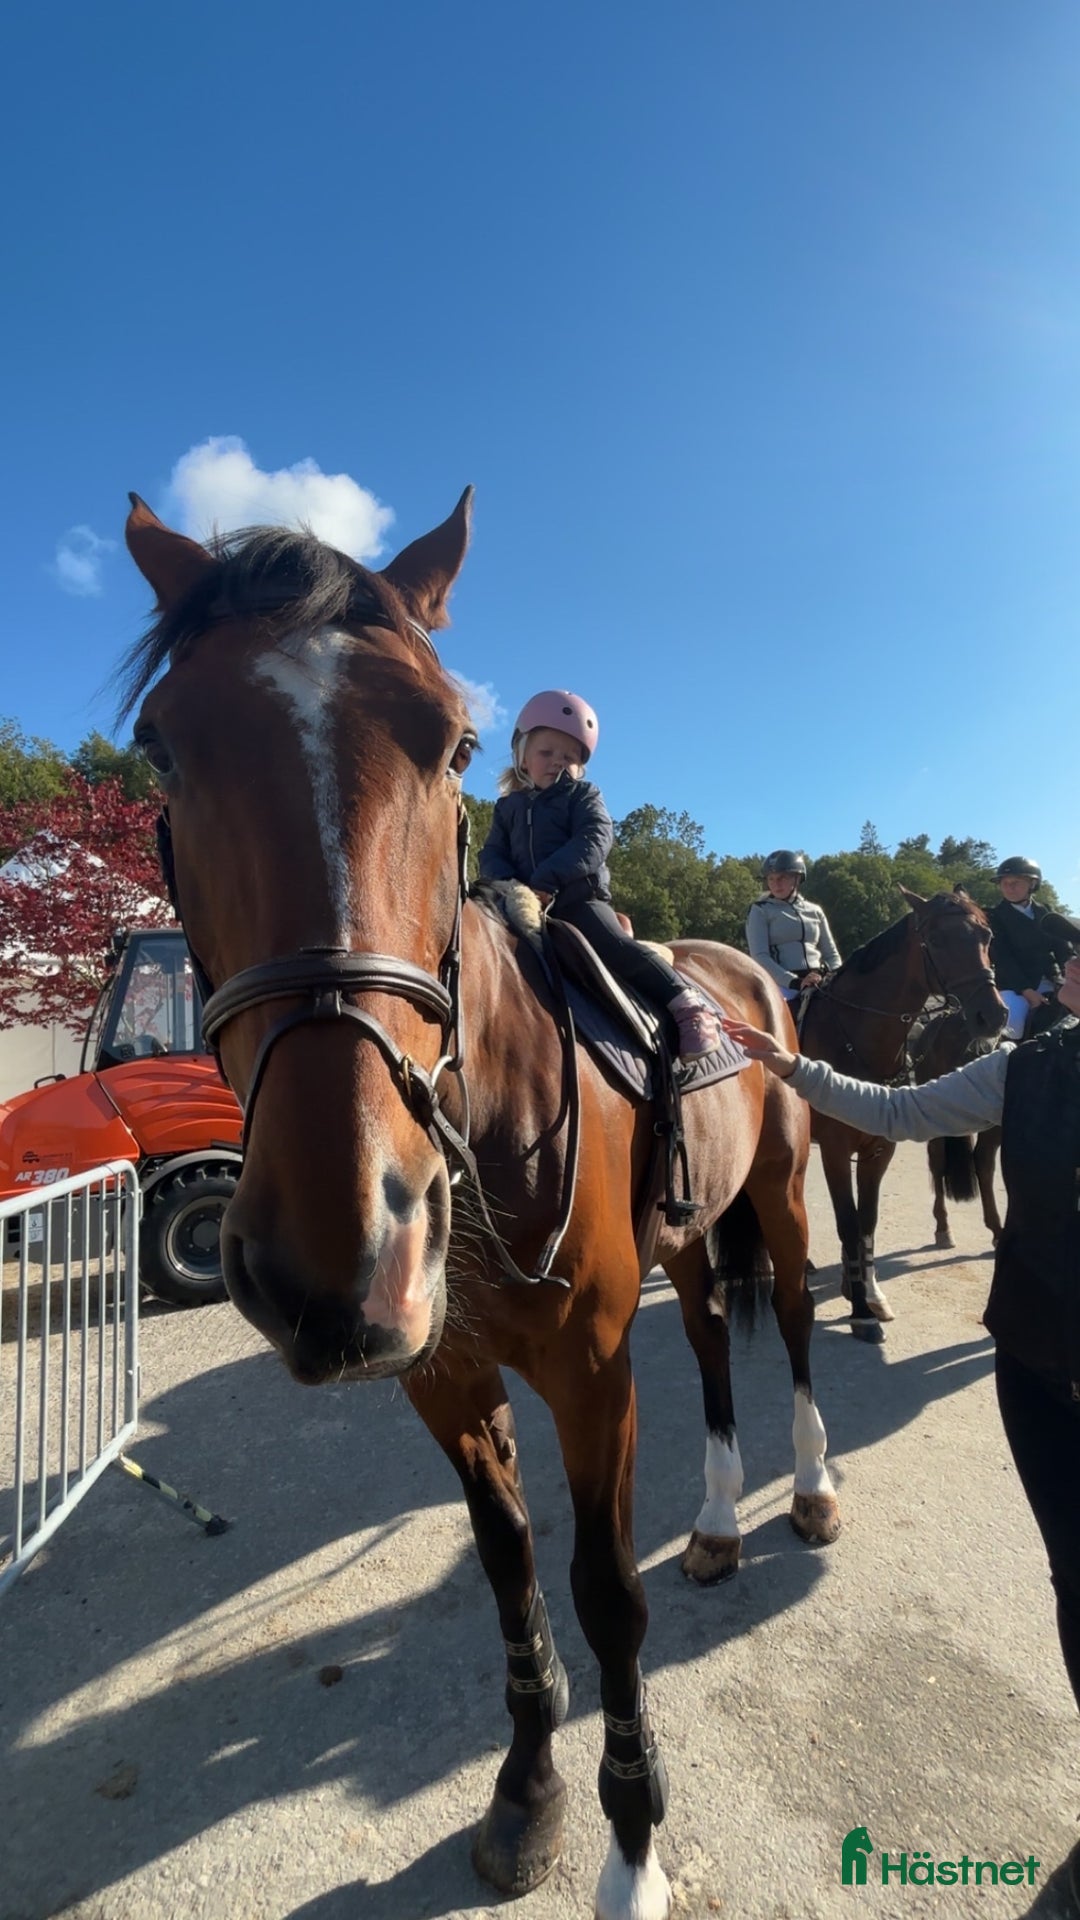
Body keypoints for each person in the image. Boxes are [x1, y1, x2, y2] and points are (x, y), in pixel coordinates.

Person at [722, 957, 1080, 1910]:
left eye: (1077, 957)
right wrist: (785, 1061)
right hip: (1043, 1360)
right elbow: (897, 1109)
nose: (1060, 966)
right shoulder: (1028, 1066)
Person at [478, 690, 724, 1058]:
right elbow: (492, 852)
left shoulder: (583, 796)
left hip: (577, 901)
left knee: (612, 944)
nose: (557, 763)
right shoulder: (506, 808)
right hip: (516, 905)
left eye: (570, 758)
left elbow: (595, 839)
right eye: (547, 753)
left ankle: (687, 1006)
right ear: (522, 757)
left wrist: (545, 881)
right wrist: (508, 886)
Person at [989, 856, 1076, 1041]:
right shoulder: (994, 917)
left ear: (1032, 884)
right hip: (1014, 986)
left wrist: (1070, 976)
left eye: (1015, 883)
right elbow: (1003, 958)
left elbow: (1064, 949)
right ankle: (1005, 1063)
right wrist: (1027, 992)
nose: (1009, 888)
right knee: (1014, 1024)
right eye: (1005, 883)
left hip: (1052, 979)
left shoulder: (1045, 911)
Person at [745, 850, 842, 1002]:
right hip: (783, 985)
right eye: (771, 879)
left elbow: (832, 955)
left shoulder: (815, 911)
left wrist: (827, 974)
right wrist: (795, 982)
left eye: (782, 878)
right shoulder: (760, 910)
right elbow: (760, 956)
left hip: (819, 979)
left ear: (796, 878)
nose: (776, 884)